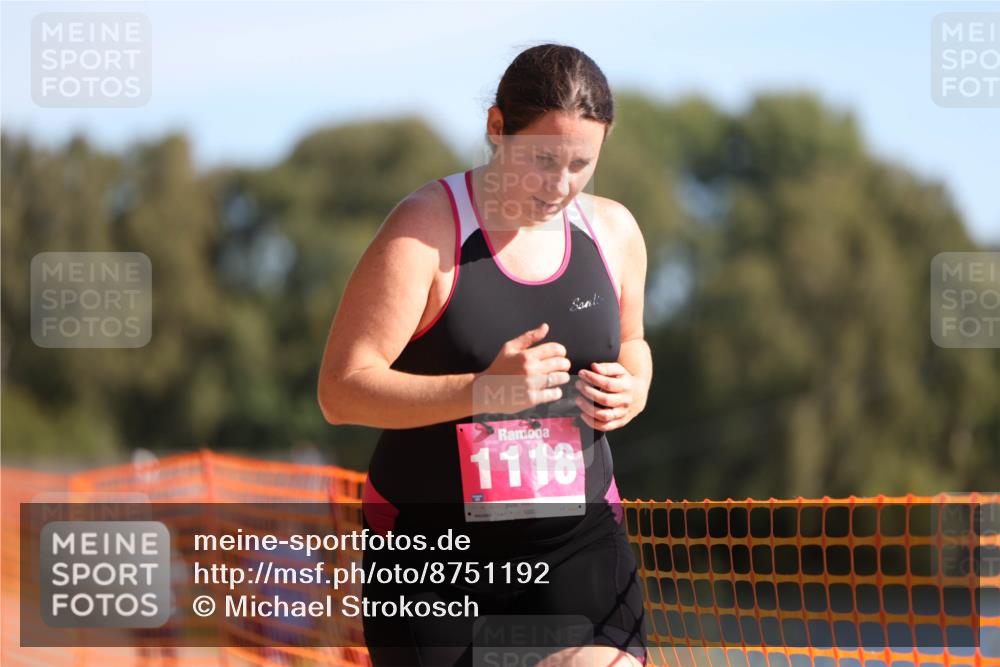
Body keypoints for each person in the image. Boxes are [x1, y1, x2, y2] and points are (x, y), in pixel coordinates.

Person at [318, 43, 652, 667]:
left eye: (581, 163)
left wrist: (634, 386)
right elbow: (341, 390)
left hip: (575, 541)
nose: (560, 185)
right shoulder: (425, 231)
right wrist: (483, 389)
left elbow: (633, 341)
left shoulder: (613, 232)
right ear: (497, 127)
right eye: (543, 158)